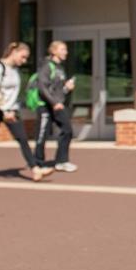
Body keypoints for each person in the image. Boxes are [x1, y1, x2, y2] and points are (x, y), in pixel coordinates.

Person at [0, 42, 54, 182]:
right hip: (2, 109)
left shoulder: (15, 71)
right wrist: (4, 111)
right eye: (23, 57)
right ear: (14, 52)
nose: (24, 61)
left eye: (26, 58)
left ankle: (36, 170)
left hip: (12, 110)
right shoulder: (1, 67)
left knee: (23, 139)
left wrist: (13, 108)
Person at [34, 40, 77, 173]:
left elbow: (58, 89)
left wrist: (67, 88)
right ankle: (38, 163)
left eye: (66, 50)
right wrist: (54, 102)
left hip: (58, 105)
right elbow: (42, 87)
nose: (66, 52)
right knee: (42, 135)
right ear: (54, 51)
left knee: (67, 131)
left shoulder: (60, 68)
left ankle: (61, 161)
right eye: (63, 49)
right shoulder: (47, 66)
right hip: (47, 106)